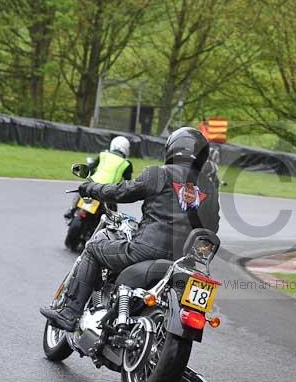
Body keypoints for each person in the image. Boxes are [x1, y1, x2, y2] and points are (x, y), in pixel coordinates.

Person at [42, 127, 221, 331]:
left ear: (172, 148)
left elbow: (121, 191)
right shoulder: (209, 188)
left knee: (93, 248)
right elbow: (212, 226)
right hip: (183, 261)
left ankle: (69, 313)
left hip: (146, 250)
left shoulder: (159, 173)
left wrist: (89, 188)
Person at [64, 136, 133, 218]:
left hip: (94, 185)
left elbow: (91, 166)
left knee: (82, 188)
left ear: (113, 145)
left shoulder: (103, 154)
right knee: (112, 218)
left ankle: (71, 210)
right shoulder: (127, 163)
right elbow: (128, 182)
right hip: (109, 190)